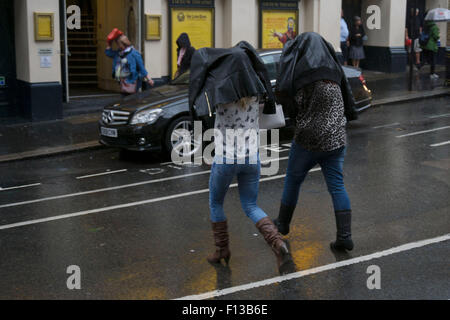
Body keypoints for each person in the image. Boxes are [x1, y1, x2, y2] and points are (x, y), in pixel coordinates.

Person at [189, 41, 293, 274]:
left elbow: (202, 105)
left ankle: (222, 250)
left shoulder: (221, 95)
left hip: (226, 158)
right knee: (250, 205)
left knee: (216, 202)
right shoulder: (257, 93)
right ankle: (277, 243)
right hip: (252, 158)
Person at [274, 32, 358, 252]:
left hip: (308, 140)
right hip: (336, 140)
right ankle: (345, 236)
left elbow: (292, 105)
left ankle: (282, 223)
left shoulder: (301, 74)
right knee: (337, 186)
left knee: (293, 180)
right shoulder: (334, 71)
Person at [105, 29, 154, 95]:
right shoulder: (119, 53)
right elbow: (109, 53)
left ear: (124, 44)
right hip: (122, 81)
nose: (118, 46)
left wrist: (149, 79)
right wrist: (109, 43)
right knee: (124, 99)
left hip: (132, 80)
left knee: (131, 99)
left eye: (118, 44)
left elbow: (141, 67)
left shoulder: (134, 53)